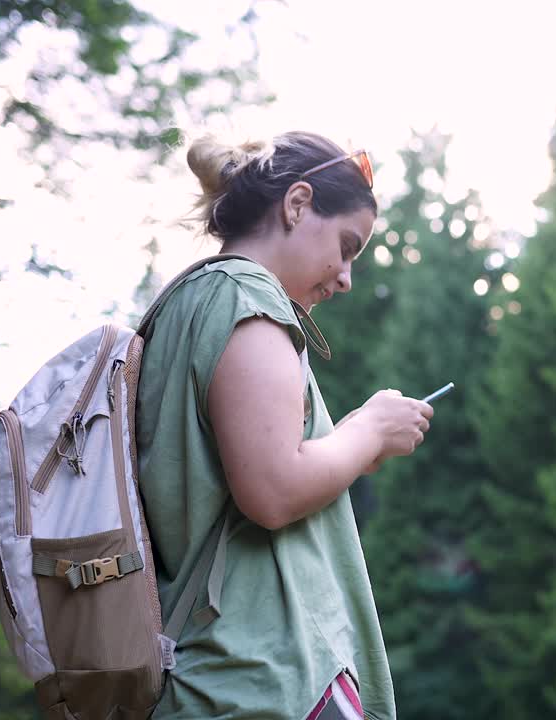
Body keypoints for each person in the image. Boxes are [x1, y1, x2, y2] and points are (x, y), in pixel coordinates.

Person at [136, 130, 432, 720]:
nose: (346, 277)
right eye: (347, 246)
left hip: (213, 675)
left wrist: (346, 444)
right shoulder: (245, 298)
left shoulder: (190, 303)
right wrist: (369, 430)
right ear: (297, 205)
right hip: (254, 679)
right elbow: (272, 490)